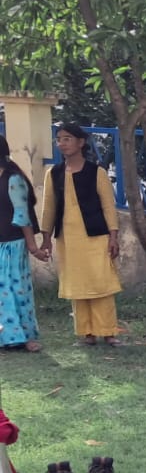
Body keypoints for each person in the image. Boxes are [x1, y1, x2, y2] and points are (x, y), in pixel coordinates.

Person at [38, 121, 123, 346]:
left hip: (96, 235)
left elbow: (108, 206)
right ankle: (86, 334)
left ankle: (108, 332)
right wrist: (46, 236)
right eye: (59, 139)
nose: (62, 143)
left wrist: (113, 236)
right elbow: (49, 207)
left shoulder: (97, 172)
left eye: (67, 138)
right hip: (68, 237)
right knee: (78, 285)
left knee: (101, 283)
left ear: (81, 142)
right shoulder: (53, 173)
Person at [0, 136, 46, 353]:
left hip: (12, 244)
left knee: (16, 289)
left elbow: (22, 214)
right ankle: (5, 337)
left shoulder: (13, 179)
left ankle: (26, 337)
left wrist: (32, 246)